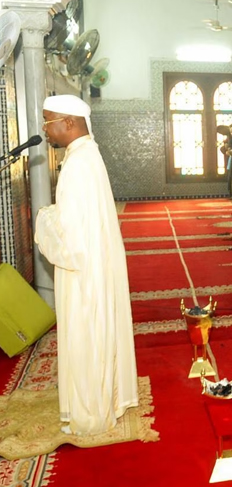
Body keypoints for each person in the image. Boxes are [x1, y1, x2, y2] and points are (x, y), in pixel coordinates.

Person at [34, 95, 138, 435]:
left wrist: (43, 220)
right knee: (91, 333)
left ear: (69, 123)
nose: (45, 128)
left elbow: (71, 235)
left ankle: (90, 413)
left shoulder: (79, 163)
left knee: (86, 334)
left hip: (82, 270)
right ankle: (96, 403)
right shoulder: (84, 155)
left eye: (48, 120)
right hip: (92, 263)